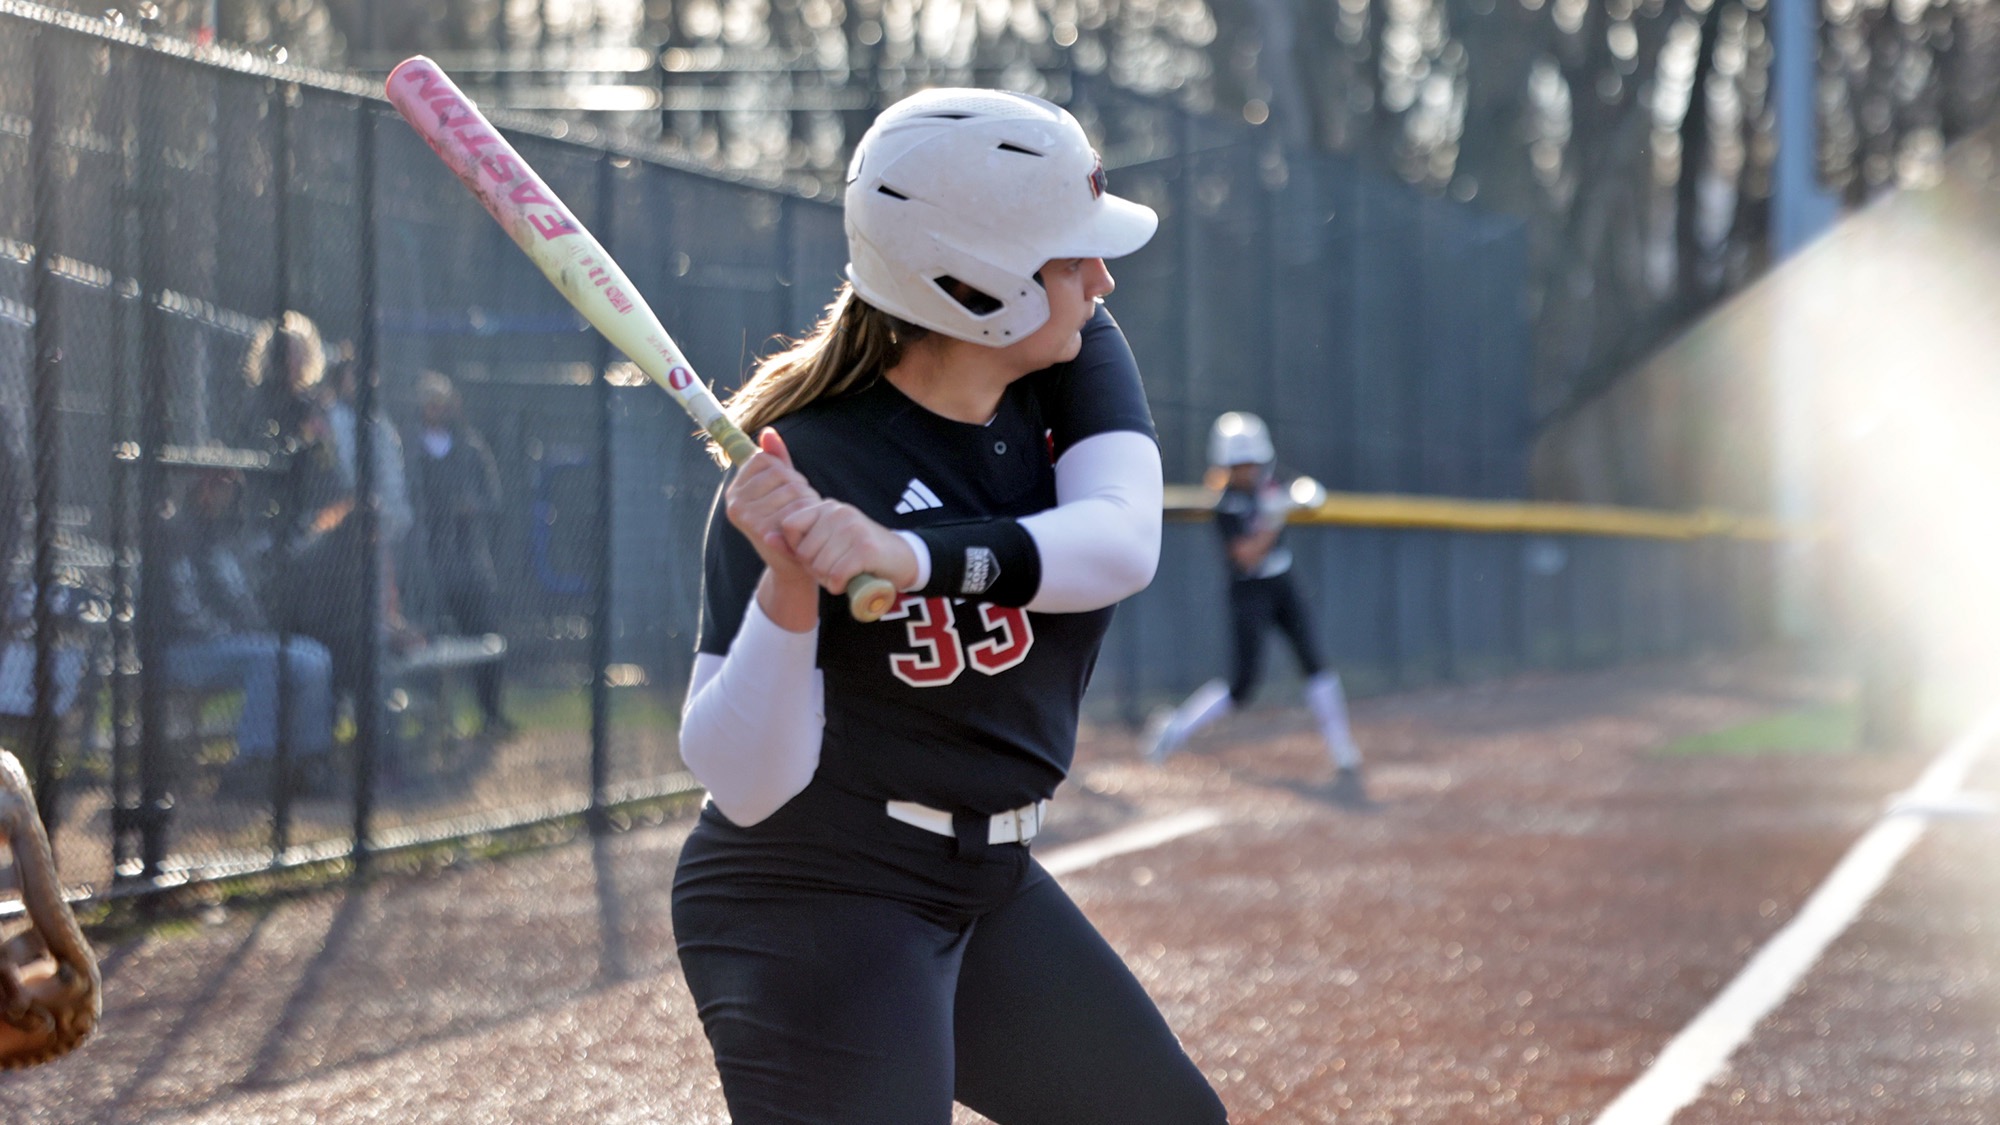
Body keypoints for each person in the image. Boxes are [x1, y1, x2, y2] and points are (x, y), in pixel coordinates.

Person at [670, 89, 1224, 1123]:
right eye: (1071, 258)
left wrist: (910, 557)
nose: (1100, 281)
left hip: (988, 879)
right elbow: (743, 782)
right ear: (981, 290)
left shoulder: (1069, 361)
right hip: (814, 897)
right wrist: (791, 584)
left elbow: (1118, 544)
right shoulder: (814, 466)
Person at [1144, 412, 1364, 793]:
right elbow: (1246, 556)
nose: (1248, 470)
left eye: (1252, 462)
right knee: (1242, 686)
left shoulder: (1270, 484)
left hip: (1283, 583)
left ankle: (1342, 748)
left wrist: (1297, 498)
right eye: (1239, 463)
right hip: (1250, 594)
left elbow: (1308, 492)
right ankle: (1176, 728)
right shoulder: (1227, 504)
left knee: (1315, 663)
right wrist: (1273, 520)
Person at [159, 467, 335, 791]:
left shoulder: (220, 533)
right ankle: (253, 763)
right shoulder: (176, 534)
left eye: (231, 487)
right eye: (220, 486)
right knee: (267, 659)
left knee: (316, 658)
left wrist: (252, 631)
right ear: (202, 489)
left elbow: (243, 602)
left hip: (226, 645)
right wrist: (236, 634)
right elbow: (185, 612)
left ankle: (307, 761)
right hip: (180, 650)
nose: (228, 495)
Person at [406, 371, 511, 736]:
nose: (435, 407)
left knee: (484, 632)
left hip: (469, 559)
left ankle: (491, 714)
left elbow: (494, 499)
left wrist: (473, 506)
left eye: (441, 400)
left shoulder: (470, 447)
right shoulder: (410, 447)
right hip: (428, 561)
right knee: (431, 638)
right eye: (428, 400)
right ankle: (435, 722)